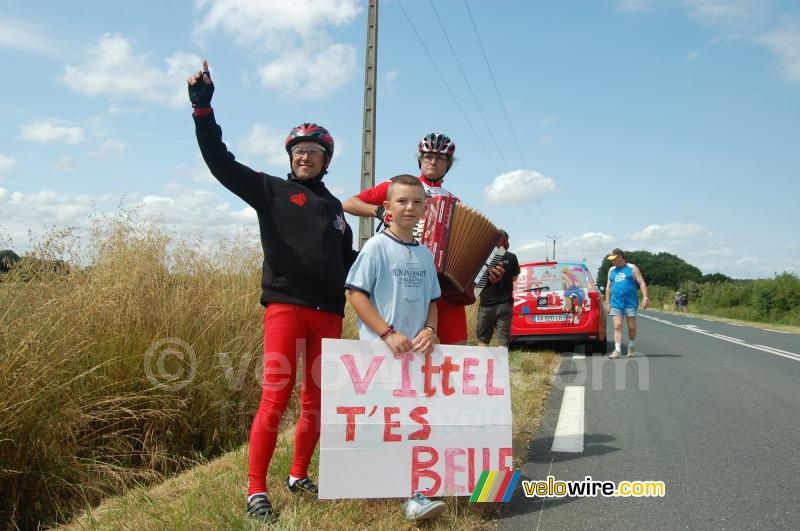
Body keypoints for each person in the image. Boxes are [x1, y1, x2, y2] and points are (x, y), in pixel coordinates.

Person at [188, 60, 358, 524]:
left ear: (326, 159)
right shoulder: (269, 191)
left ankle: (298, 475)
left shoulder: (337, 211)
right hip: (285, 307)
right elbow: (219, 161)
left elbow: (352, 266)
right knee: (275, 398)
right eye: (299, 151)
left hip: (329, 315)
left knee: (317, 403)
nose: (305, 157)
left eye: (314, 152)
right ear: (290, 157)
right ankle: (255, 490)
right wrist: (203, 107)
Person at [345, 174, 445, 522]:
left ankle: (413, 492)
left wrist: (431, 329)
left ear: (425, 209)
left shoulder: (425, 254)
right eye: (402, 201)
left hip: (415, 357)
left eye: (417, 202)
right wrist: (387, 334)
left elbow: (433, 301)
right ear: (387, 208)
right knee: (386, 424)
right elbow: (356, 294)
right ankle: (397, 490)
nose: (410, 208)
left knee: (412, 423)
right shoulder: (376, 247)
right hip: (381, 354)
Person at [343, 133, 503, 345]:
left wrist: (485, 271)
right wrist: (379, 212)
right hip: (404, 280)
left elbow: (467, 256)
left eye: (440, 158)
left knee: (457, 349)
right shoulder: (400, 186)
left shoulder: (454, 201)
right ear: (420, 160)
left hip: (445, 289)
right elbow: (348, 203)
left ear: (448, 164)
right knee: (402, 348)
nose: (433, 161)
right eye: (428, 156)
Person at [476, 230, 520, 346]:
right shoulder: (511, 257)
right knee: (503, 341)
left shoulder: (484, 258)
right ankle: (501, 364)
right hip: (504, 305)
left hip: (486, 305)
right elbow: (515, 278)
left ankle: (483, 363)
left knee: (483, 340)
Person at [604, 248, 649, 359]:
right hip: (615, 302)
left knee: (631, 327)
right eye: (611, 259)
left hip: (630, 302)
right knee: (617, 325)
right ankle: (617, 350)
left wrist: (645, 297)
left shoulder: (632, 268)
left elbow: (642, 283)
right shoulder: (611, 270)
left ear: (620, 257)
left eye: (613, 259)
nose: (612, 261)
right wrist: (607, 302)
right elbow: (608, 287)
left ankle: (631, 346)